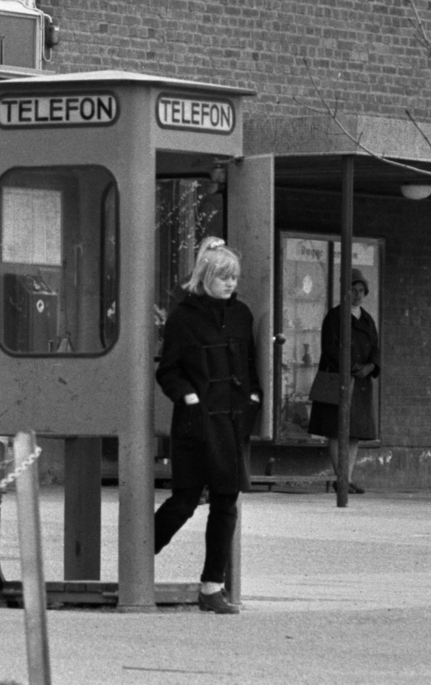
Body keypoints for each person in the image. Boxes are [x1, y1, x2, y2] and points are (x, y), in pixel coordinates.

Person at [154, 236, 262, 615]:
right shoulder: (183, 317)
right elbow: (168, 372)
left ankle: (212, 587)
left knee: (226, 502)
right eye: (223, 277)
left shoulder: (242, 315)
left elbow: (249, 366)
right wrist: (190, 399)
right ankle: (138, 559)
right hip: (196, 424)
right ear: (204, 276)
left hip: (231, 422)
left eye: (234, 277)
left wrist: (253, 399)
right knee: (184, 501)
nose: (231, 283)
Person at [308, 268, 380, 495]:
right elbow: (329, 348)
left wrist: (370, 367)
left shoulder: (367, 320)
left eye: (361, 291)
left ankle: (347, 477)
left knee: (355, 432)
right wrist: (350, 367)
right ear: (345, 291)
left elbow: (376, 349)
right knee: (336, 429)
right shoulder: (335, 316)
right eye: (353, 290)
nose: (357, 295)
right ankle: (341, 478)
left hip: (360, 383)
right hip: (338, 379)